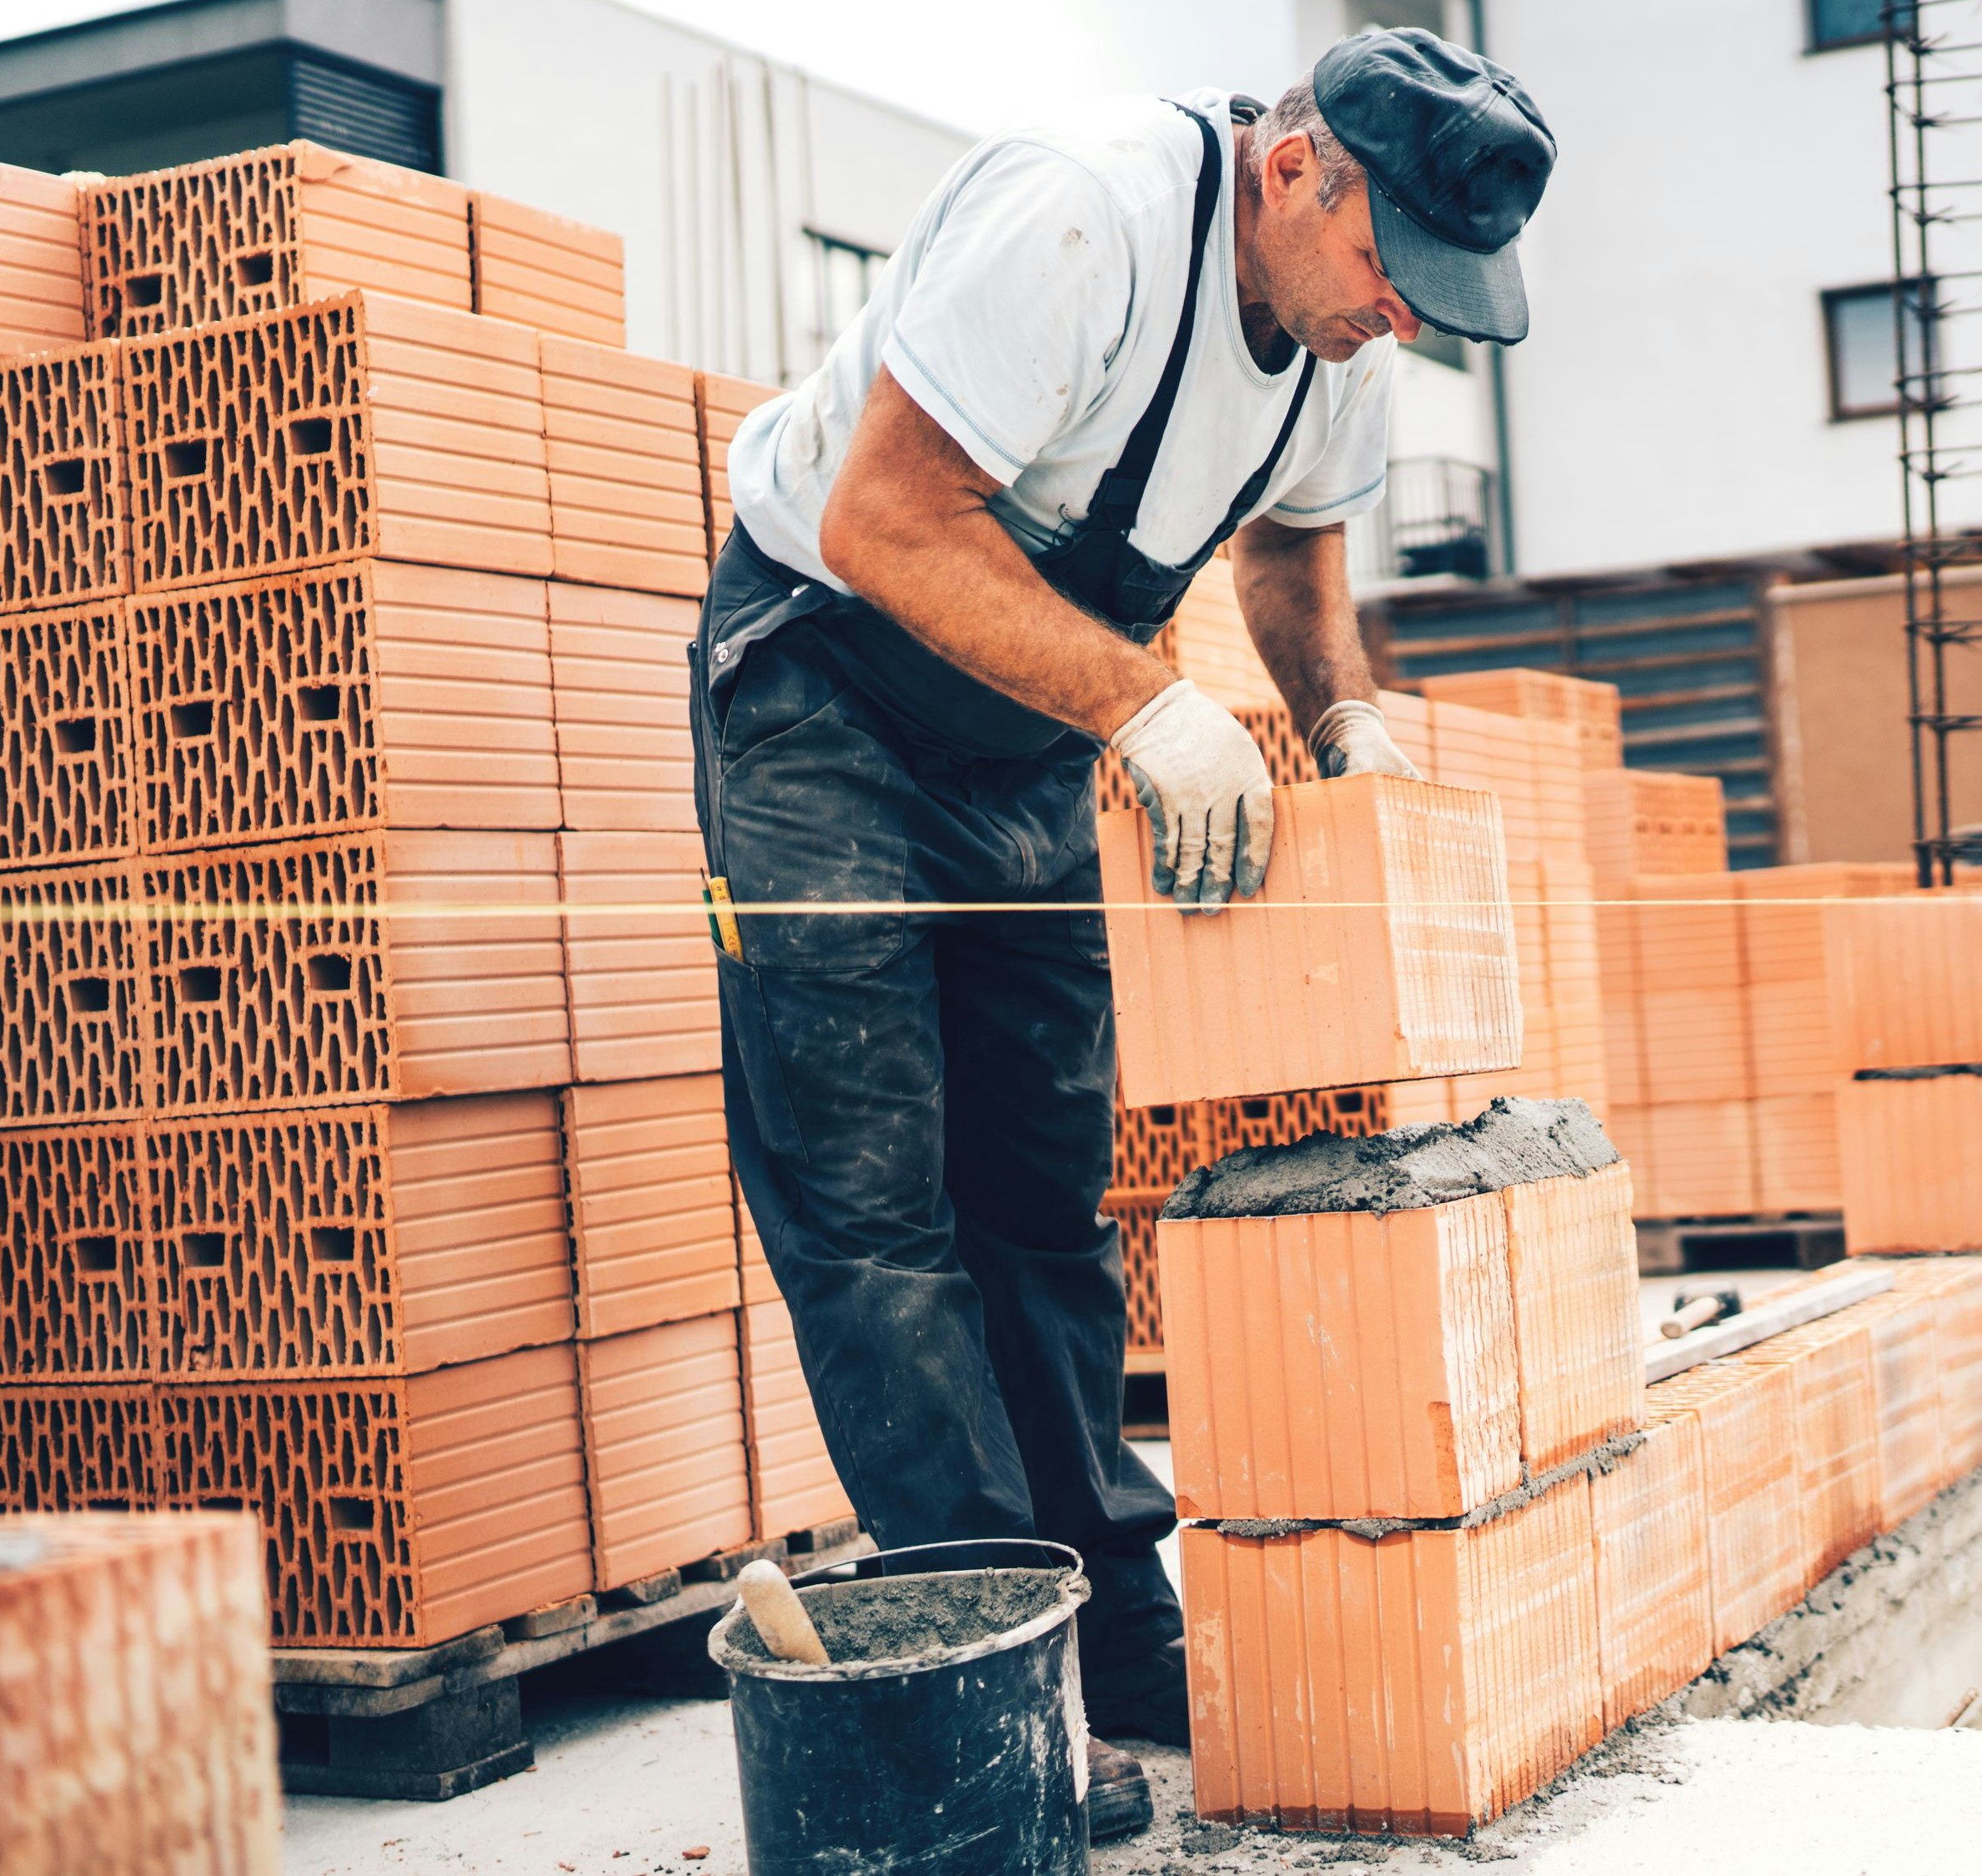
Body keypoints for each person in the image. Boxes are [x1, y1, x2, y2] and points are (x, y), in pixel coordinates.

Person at [690, 28, 1554, 1840]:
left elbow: (1292, 563)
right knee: (874, 1213)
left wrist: (1342, 726)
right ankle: (988, 1666)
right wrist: (1148, 712)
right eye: (1394, 273)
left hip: (1018, 728)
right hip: (825, 693)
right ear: (1295, 168)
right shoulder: (1082, 219)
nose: (1402, 320)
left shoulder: (1341, 336)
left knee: (1044, 1195)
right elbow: (885, 518)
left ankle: (1114, 1614)